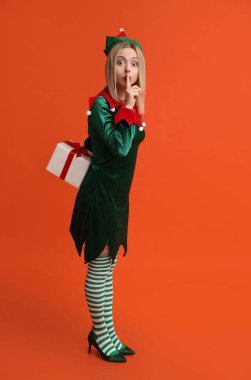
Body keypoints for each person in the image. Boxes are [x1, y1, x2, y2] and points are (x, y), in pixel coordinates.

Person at [69, 28, 146, 363]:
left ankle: (107, 332)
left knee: (109, 266)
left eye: (134, 63)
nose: (128, 70)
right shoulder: (103, 104)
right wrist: (131, 105)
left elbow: (120, 146)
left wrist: (131, 106)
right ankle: (101, 334)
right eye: (120, 63)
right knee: (100, 267)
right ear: (110, 68)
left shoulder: (120, 104)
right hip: (101, 194)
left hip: (118, 197)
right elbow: (120, 144)